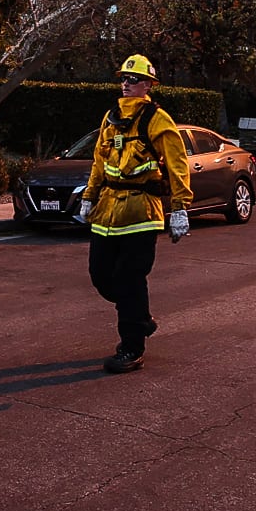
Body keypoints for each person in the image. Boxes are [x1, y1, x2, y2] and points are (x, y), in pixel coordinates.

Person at [76, 54, 192, 374]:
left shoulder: (158, 119)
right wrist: (89, 196)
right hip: (108, 210)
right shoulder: (111, 117)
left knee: (129, 279)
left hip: (141, 211)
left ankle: (131, 347)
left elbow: (178, 165)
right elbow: (100, 160)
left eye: (134, 80)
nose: (126, 84)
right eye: (123, 79)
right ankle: (140, 317)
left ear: (149, 85)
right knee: (100, 275)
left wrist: (180, 208)